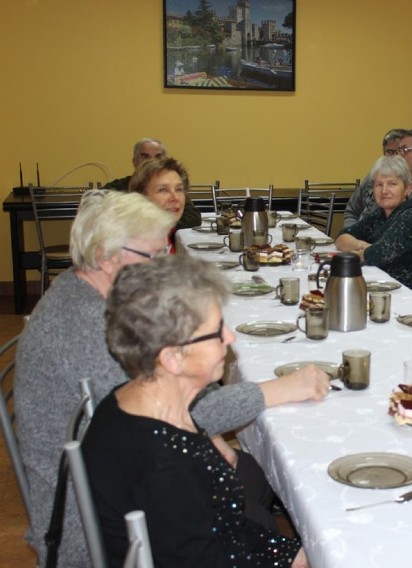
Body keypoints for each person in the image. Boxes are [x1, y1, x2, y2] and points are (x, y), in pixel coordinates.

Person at [15, 190, 329, 567]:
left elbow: (172, 403)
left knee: (264, 481)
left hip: (124, 480)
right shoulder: (89, 327)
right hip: (89, 525)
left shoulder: (99, 299)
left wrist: (208, 438)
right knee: (267, 497)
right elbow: (168, 424)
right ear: (104, 257)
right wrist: (279, 390)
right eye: (154, 255)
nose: (164, 264)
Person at [83, 255, 308, 567]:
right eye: (217, 332)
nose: (230, 338)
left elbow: (219, 531)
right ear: (173, 358)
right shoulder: (167, 466)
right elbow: (218, 555)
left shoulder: (134, 400)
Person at [336, 155, 412, 295]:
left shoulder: (410, 219)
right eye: (379, 185)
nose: (384, 191)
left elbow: (374, 255)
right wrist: (363, 246)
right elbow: (341, 237)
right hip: (387, 288)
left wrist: (367, 251)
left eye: (392, 184)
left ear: (408, 188)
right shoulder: (379, 214)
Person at [103, 137, 201, 229]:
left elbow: (193, 217)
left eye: (158, 157)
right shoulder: (116, 188)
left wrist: (162, 227)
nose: (152, 161)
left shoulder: (173, 188)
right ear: (135, 162)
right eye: (145, 157)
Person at [342, 128, 408, 227]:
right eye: (389, 152)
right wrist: (350, 233)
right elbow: (351, 211)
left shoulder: (405, 181)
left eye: (398, 152)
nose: (394, 156)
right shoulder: (372, 176)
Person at [128, 157, 194, 252]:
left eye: (179, 189)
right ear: (141, 197)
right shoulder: (137, 248)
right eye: (163, 190)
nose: (175, 198)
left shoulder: (163, 234)